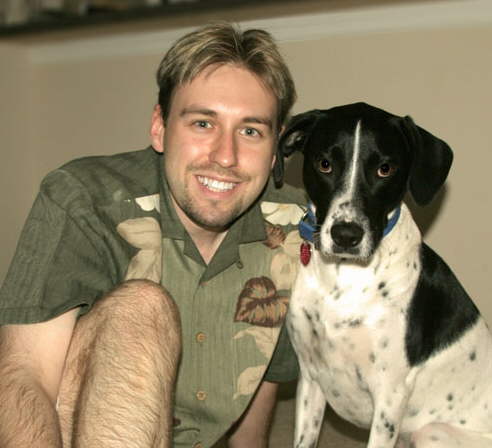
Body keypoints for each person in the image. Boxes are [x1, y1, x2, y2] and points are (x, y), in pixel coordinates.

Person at [0, 22, 306, 448]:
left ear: (275, 148)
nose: (226, 156)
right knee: (141, 306)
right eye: (203, 123)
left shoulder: (297, 227)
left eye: (250, 131)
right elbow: (23, 374)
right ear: (160, 127)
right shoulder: (83, 198)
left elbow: (262, 381)